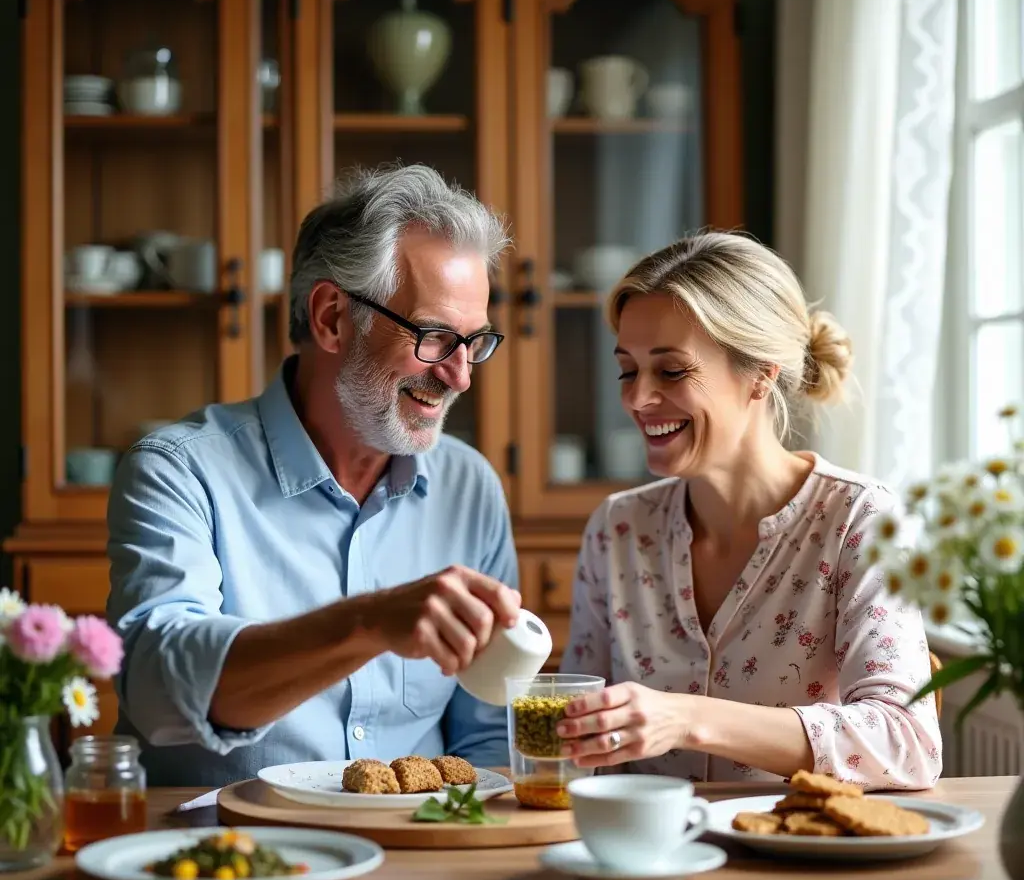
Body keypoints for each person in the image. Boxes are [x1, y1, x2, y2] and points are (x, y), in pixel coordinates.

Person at [106, 163, 521, 787]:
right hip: (229, 857)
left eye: (476, 342)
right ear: (330, 317)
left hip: (416, 859)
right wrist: (369, 622)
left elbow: (487, 732)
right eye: (435, 336)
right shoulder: (179, 471)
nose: (460, 375)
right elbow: (160, 697)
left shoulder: (470, 487)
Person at [558, 232, 942, 789]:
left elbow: (906, 743)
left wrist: (687, 718)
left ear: (761, 374)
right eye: (627, 370)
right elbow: (578, 744)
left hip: (797, 859)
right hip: (643, 861)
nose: (637, 399)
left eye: (670, 371)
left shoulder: (861, 519)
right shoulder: (617, 530)